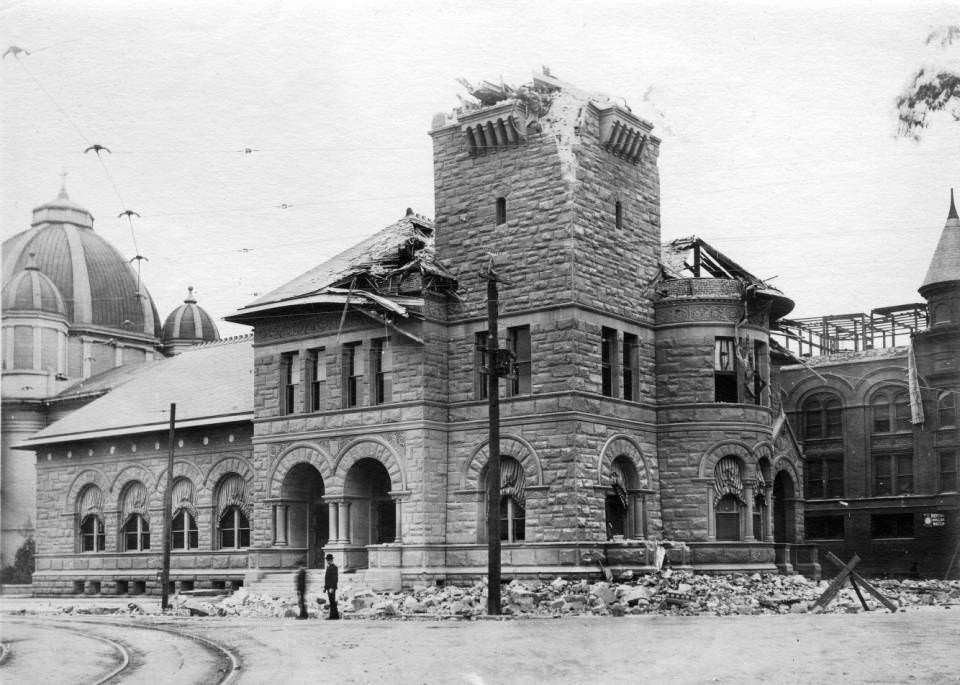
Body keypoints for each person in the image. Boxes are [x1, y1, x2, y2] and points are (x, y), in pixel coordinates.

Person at [324, 553, 339, 619]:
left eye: (328, 560)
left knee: (332, 602)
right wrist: (325, 587)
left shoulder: (334, 567)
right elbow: (327, 578)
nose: (327, 561)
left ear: (331, 560)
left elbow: (334, 579)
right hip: (329, 587)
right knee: (331, 601)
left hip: (331, 588)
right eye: (327, 560)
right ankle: (334, 615)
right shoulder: (329, 567)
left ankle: (334, 616)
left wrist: (332, 587)